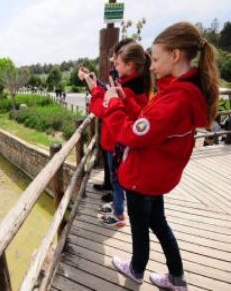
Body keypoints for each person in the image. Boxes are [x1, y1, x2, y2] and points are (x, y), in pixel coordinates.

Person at [103, 22, 219, 290]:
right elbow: (148, 123)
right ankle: (177, 278)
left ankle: (136, 269)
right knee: (159, 224)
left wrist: (111, 105)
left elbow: (131, 134)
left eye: (155, 59)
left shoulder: (176, 98)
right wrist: (126, 101)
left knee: (140, 228)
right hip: (157, 175)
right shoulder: (182, 92)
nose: (152, 67)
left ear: (175, 55)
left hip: (143, 178)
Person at [80, 40, 152, 227]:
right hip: (119, 143)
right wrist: (95, 83)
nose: (114, 64)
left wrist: (92, 86)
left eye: (117, 62)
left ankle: (119, 214)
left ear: (130, 65)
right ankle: (118, 206)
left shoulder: (128, 89)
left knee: (117, 180)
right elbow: (109, 97)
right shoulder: (133, 85)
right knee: (117, 179)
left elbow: (100, 108)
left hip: (118, 144)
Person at [91, 38, 136, 196]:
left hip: (116, 138)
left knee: (117, 174)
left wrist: (95, 89)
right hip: (113, 136)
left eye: (116, 59)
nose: (113, 62)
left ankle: (117, 204)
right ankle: (112, 192)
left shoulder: (131, 86)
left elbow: (103, 108)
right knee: (113, 171)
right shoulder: (127, 83)